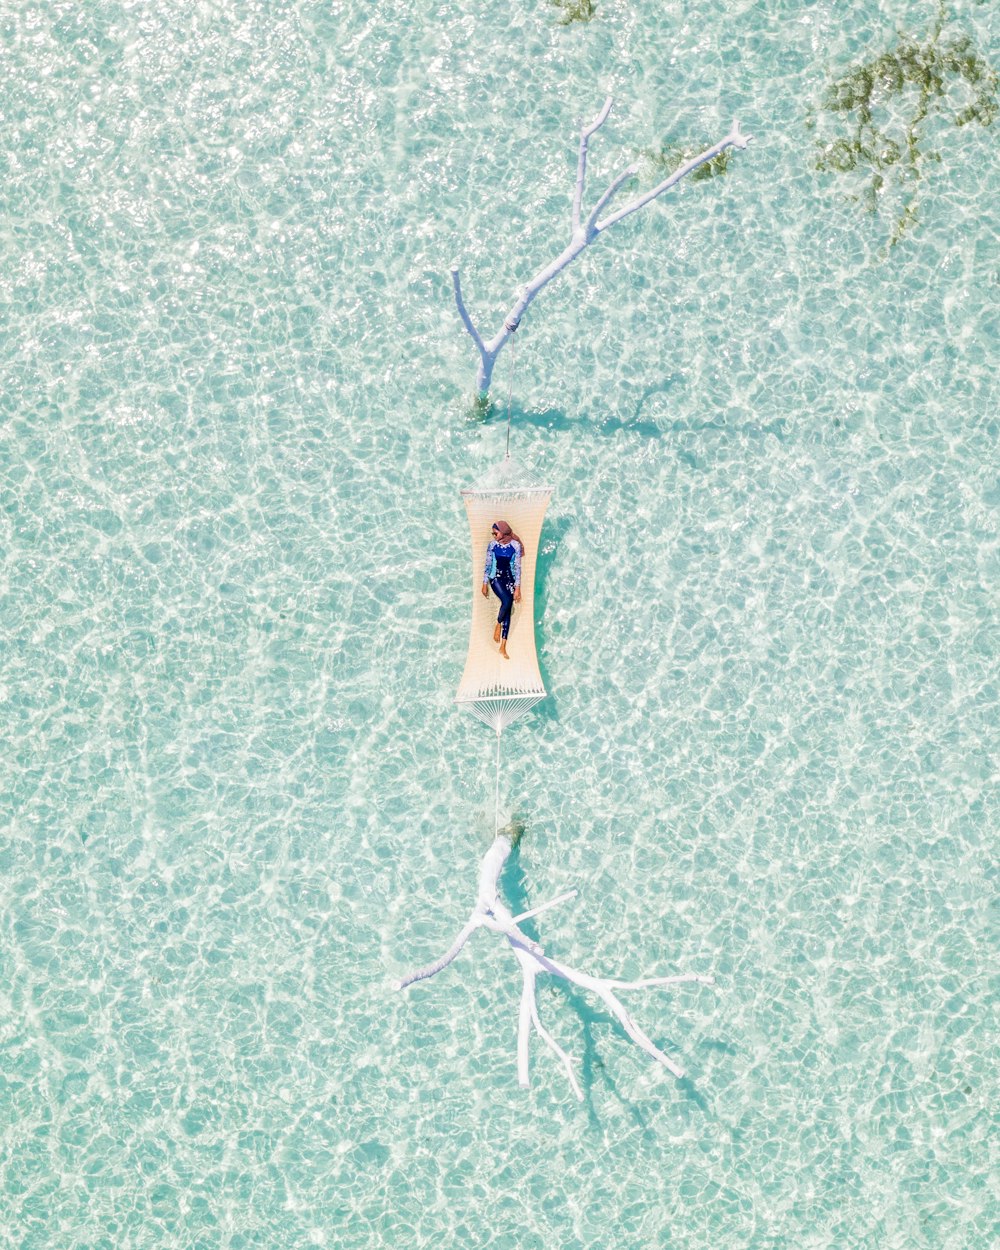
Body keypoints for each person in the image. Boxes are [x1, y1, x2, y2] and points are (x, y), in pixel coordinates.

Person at [481, 520, 523, 659]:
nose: (493, 535)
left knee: (509, 604)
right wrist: (484, 582)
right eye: (492, 533)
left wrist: (517, 587)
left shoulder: (515, 546)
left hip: (509, 579)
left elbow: (517, 568)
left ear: (503, 532)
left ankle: (503, 646)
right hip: (496, 578)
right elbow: (488, 564)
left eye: (495, 532)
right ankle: (498, 624)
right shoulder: (492, 546)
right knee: (506, 601)